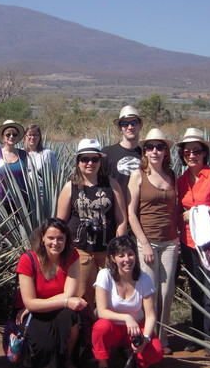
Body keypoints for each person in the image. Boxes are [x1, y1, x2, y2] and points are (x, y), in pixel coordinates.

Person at [56, 138, 127, 349]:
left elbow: (121, 219)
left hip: (107, 251)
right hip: (80, 251)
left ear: (100, 161)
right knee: (83, 299)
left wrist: (118, 248)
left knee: (112, 297)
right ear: (78, 161)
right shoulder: (71, 187)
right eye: (85, 159)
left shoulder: (111, 185)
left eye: (94, 159)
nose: (90, 163)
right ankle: (86, 345)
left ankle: (112, 342)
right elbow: (60, 223)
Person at [176, 128, 210, 356]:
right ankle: (197, 336)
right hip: (189, 242)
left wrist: (198, 212)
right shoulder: (181, 180)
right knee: (197, 289)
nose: (192, 155)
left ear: (204, 153)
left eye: (196, 151)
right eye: (187, 151)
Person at [127, 128, 178, 354]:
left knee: (166, 292)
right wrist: (144, 243)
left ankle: (162, 337)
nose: (155, 151)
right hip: (146, 241)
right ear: (145, 151)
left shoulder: (172, 175)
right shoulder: (138, 174)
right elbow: (130, 212)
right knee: (149, 292)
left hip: (169, 241)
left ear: (166, 152)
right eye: (150, 147)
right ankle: (147, 337)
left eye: (159, 147)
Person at [16, 218, 87, 368]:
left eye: (60, 238)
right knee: (46, 344)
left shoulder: (71, 256)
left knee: (72, 316)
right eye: (51, 238)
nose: (56, 243)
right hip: (32, 314)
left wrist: (36, 304)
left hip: (56, 310)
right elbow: (29, 302)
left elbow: (70, 293)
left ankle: (67, 358)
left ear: (66, 239)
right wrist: (32, 306)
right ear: (42, 238)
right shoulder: (27, 260)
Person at [92, 236, 164, 368]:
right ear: (113, 258)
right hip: (112, 327)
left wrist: (146, 339)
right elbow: (102, 312)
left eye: (130, 254)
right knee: (100, 328)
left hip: (136, 329)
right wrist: (126, 317)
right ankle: (102, 363)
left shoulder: (144, 279)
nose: (127, 260)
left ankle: (138, 360)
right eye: (121, 256)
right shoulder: (105, 275)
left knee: (156, 352)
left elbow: (150, 315)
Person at [102, 105, 144, 196]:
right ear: (120, 128)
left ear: (140, 125)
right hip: (113, 208)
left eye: (134, 123)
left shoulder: (147, 155)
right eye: (125, 124)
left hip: (140, 209)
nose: (130, 127)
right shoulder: (107, 153)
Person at [0, 120, 28, 204]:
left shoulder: (23, 154)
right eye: (8, 134)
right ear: (3, 137)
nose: (11, 136)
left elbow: (27, 177)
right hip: (3, 200)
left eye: (14, 134)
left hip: (23, 200)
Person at [24, 124, 57, 197]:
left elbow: (54, 175)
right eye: (29, 135)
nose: (32, 137)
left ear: (39, 137)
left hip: (43, 195)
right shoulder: (20, 153)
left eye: (35, 135)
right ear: (25, 137)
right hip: (25, 196)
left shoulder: (47, 153)